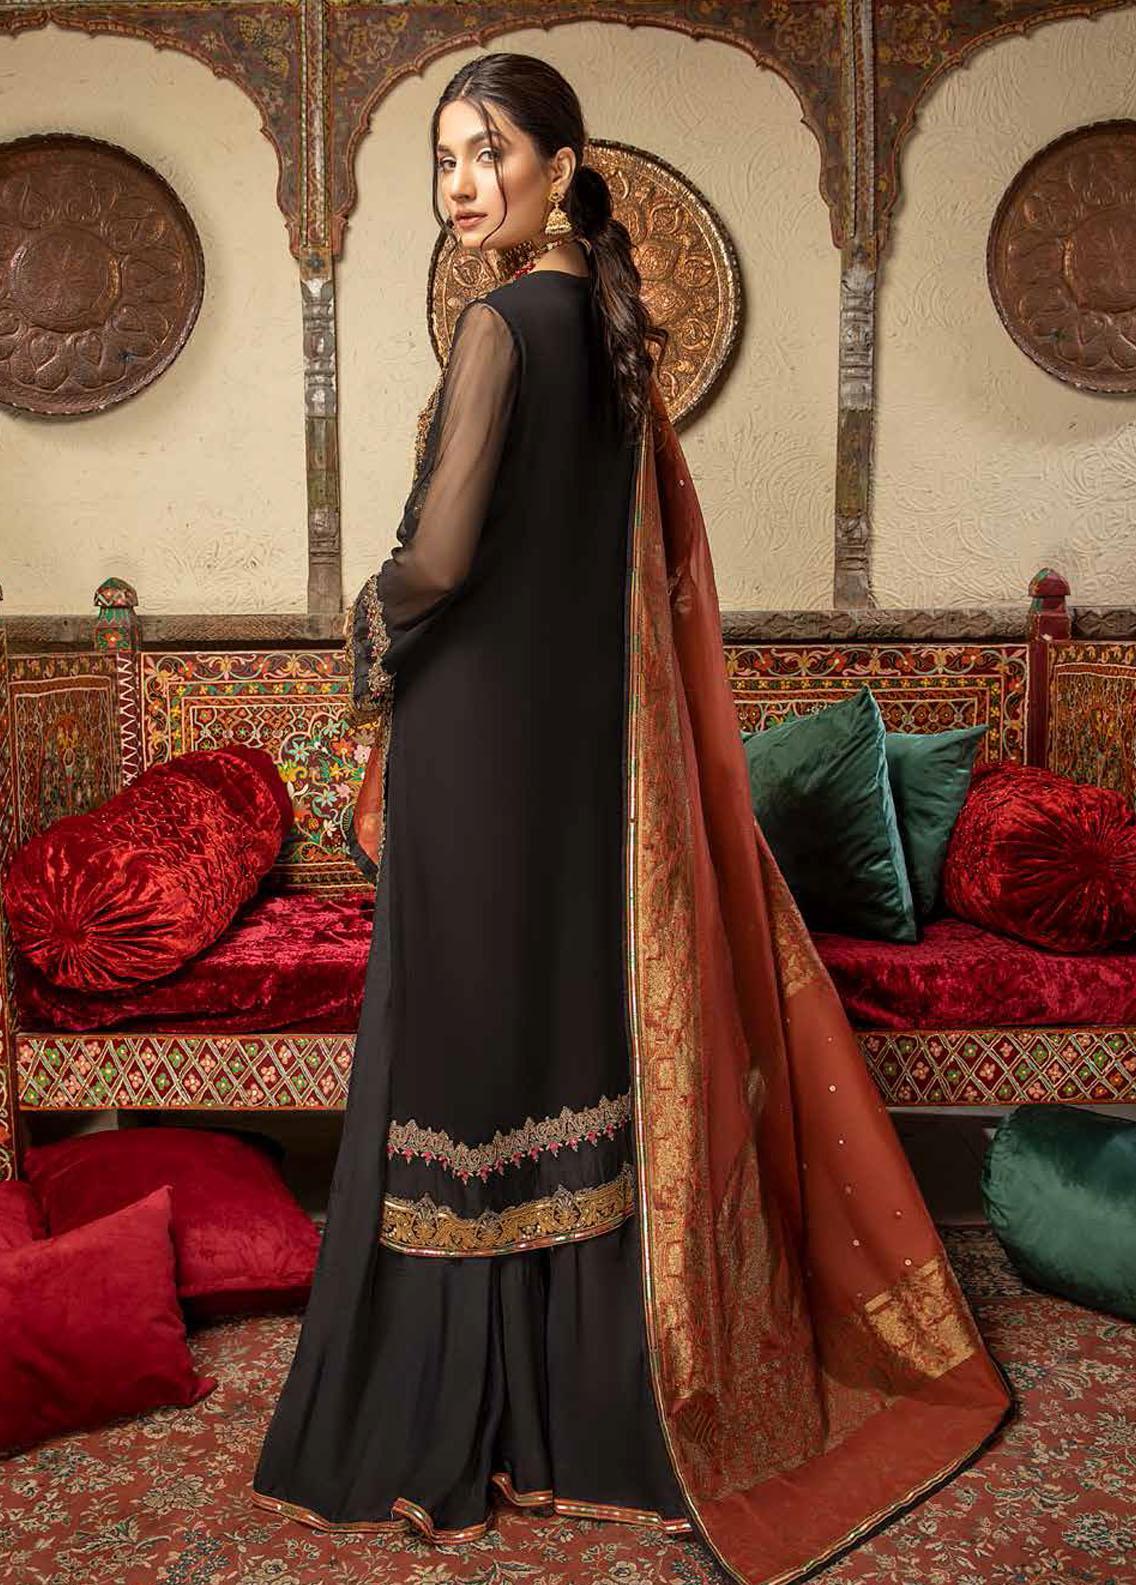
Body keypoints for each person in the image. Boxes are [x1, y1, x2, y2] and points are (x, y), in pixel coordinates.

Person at [252, 52, 1015, 1584]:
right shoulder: (607, 339)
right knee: (560, 1039)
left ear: (558, 165)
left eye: (489, 152)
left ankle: (458, 1402)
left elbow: (444, 557)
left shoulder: (498, 328)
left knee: (465, 1047)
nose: (462, 184)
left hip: (478, 749)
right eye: (445, 159)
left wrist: (366, 618)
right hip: (577, 756)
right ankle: (585, 1403)